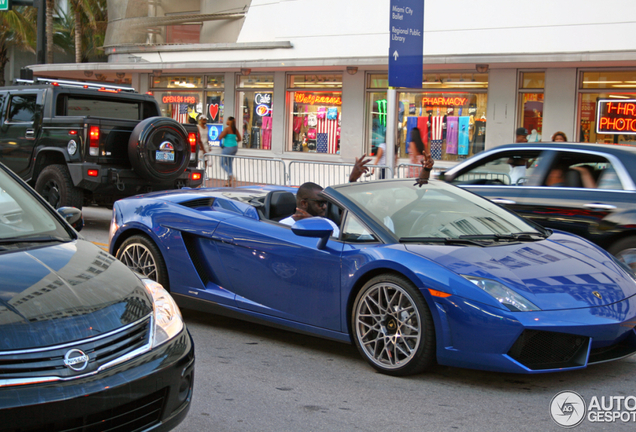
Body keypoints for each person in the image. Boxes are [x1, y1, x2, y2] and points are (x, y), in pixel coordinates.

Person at [218, 116, 241, 187]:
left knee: (222, 163)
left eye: (227, 120)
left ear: (229, 121)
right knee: (229, 163)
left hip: (227, 148)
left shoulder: (227, 129)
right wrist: (234, 142)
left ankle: (231, 175)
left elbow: (220, 137)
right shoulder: (235, 130)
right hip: (235, 147)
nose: (226, 121)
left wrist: (222, 133)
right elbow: (240, 139)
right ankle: (229, 182)